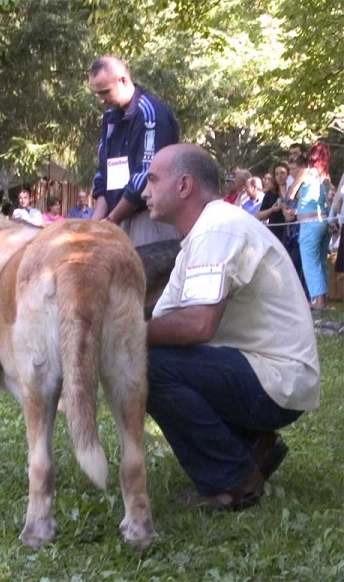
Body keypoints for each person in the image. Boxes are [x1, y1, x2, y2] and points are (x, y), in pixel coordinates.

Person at [142, 143, 319, 510]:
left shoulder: (216, 231)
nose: (144, 191)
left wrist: (120, 334)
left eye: (153, 180)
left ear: (184, 185)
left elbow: (198, 325)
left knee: (143, 364)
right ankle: (254, 446)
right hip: (267, 373)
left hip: (277, 381)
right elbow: (163, 321)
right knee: (146, 352)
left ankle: (234, 480)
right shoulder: (201, 235)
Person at [89, 55, 180, 245]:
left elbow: (146, 175)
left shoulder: (150, 114)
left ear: (122, 81)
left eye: (105, 92)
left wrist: (111, 220)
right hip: (117, 220)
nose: (101, 100)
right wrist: (96, 224)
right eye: (97, 94)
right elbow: (104, 173)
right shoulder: (109, 118)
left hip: (149, 218)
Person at [294, 142, 331, 310]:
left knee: (310, 262)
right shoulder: (325, 176)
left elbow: (291, 193)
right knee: (321, 261)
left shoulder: (308, 173)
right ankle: (323, 297)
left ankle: (318, 301)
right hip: (323, 222)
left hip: (309, 224)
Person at [256, 162, 288, 243]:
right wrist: (272, 209)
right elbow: (258, 216)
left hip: (292, 233)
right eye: (277, 174)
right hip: (276, 235)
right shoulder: (270, 194)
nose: (280, 176)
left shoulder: (295, 191)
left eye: (282, 173)